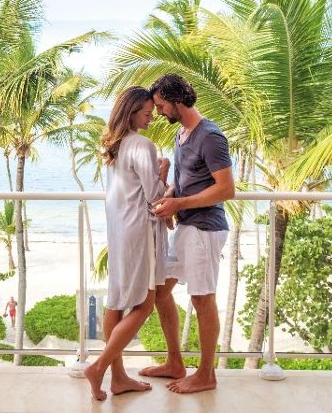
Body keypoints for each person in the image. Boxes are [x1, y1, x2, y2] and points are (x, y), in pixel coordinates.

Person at [140, 73, 235, 394]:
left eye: (161, 106)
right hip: (185, 228)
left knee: (202, 299)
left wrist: (179, 202)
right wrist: (168, 195)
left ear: (177, 101)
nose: (158, 112)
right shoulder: (182, 134)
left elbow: (226, 189)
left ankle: (207, 374)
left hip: (205, 230)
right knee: (160, 292)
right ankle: (175, 363)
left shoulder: (210, 136)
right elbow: (186, 183)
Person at [84, 86, 171, 401]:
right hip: (139, 232)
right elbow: (155, 196)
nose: (151, 118)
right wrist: (165, 173)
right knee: (145, 303)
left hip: (119, 231)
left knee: (116, 302)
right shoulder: (143, 145)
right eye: (147, 113)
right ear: (132, 112)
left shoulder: (115, 145)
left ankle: (118, 377)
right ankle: (99, 367)